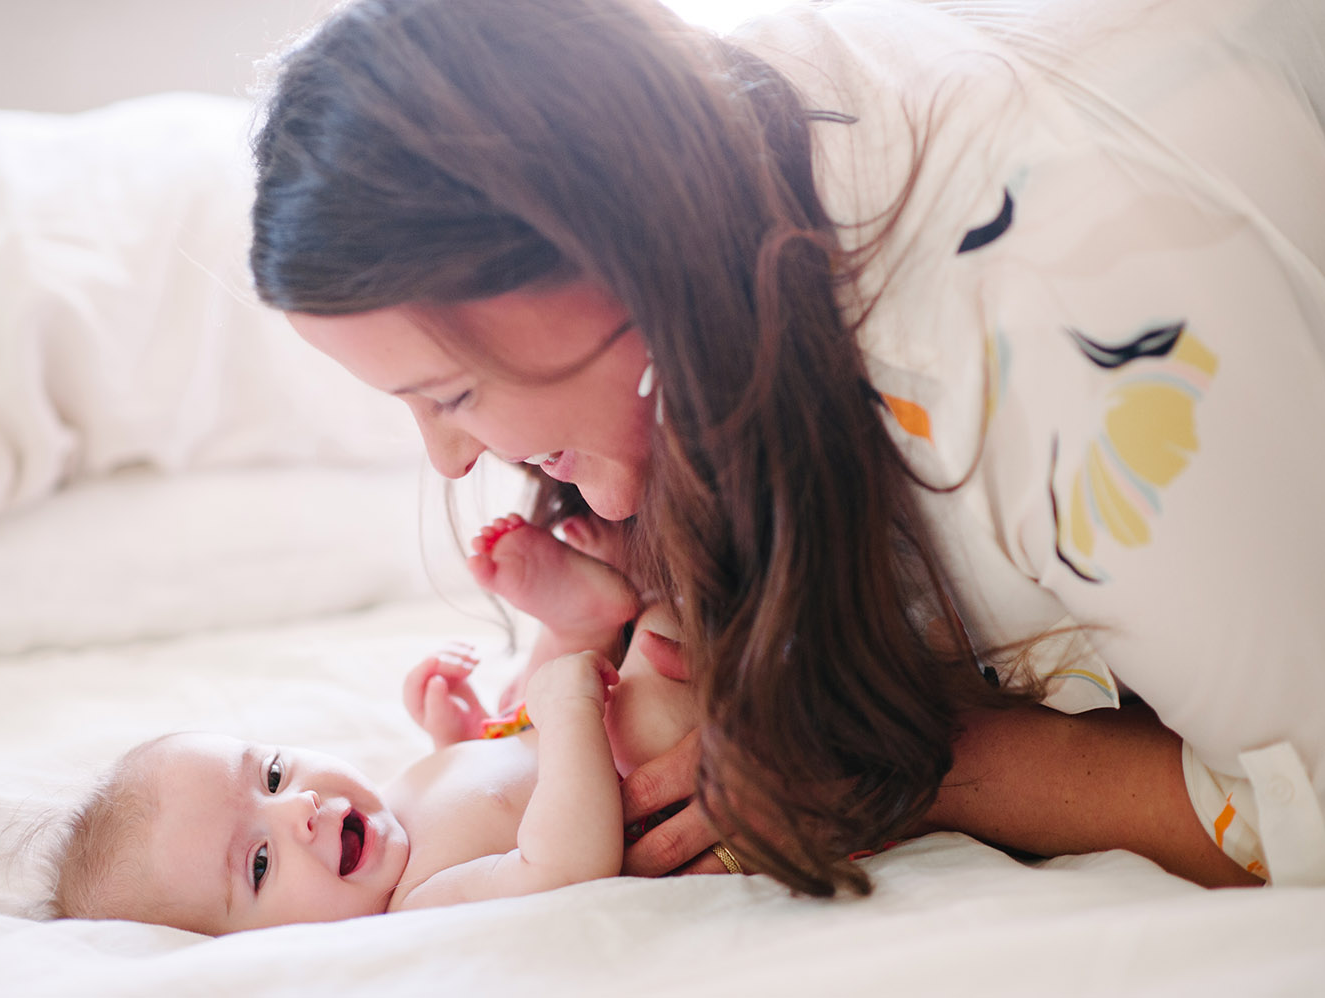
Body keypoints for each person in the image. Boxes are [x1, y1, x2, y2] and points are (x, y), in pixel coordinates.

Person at [248, 0, 1325, 893]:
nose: (448, 459)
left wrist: (910, 766)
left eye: (451, 392)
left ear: (605, 255)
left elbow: (1304, 805)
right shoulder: (734, 166)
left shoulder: (1070, 343)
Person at [47, 517, 704, 932]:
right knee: (650, 687)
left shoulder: (390, 804)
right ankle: (630, 613)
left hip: (564, 722)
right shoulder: (420, 902)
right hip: (635, 759)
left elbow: (496, 785)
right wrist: (568, 712)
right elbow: (560, 866)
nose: (299, 807)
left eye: (272, 776)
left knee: (528, 690)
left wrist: (460, 738)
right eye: (260, 862)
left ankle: (580, 623)